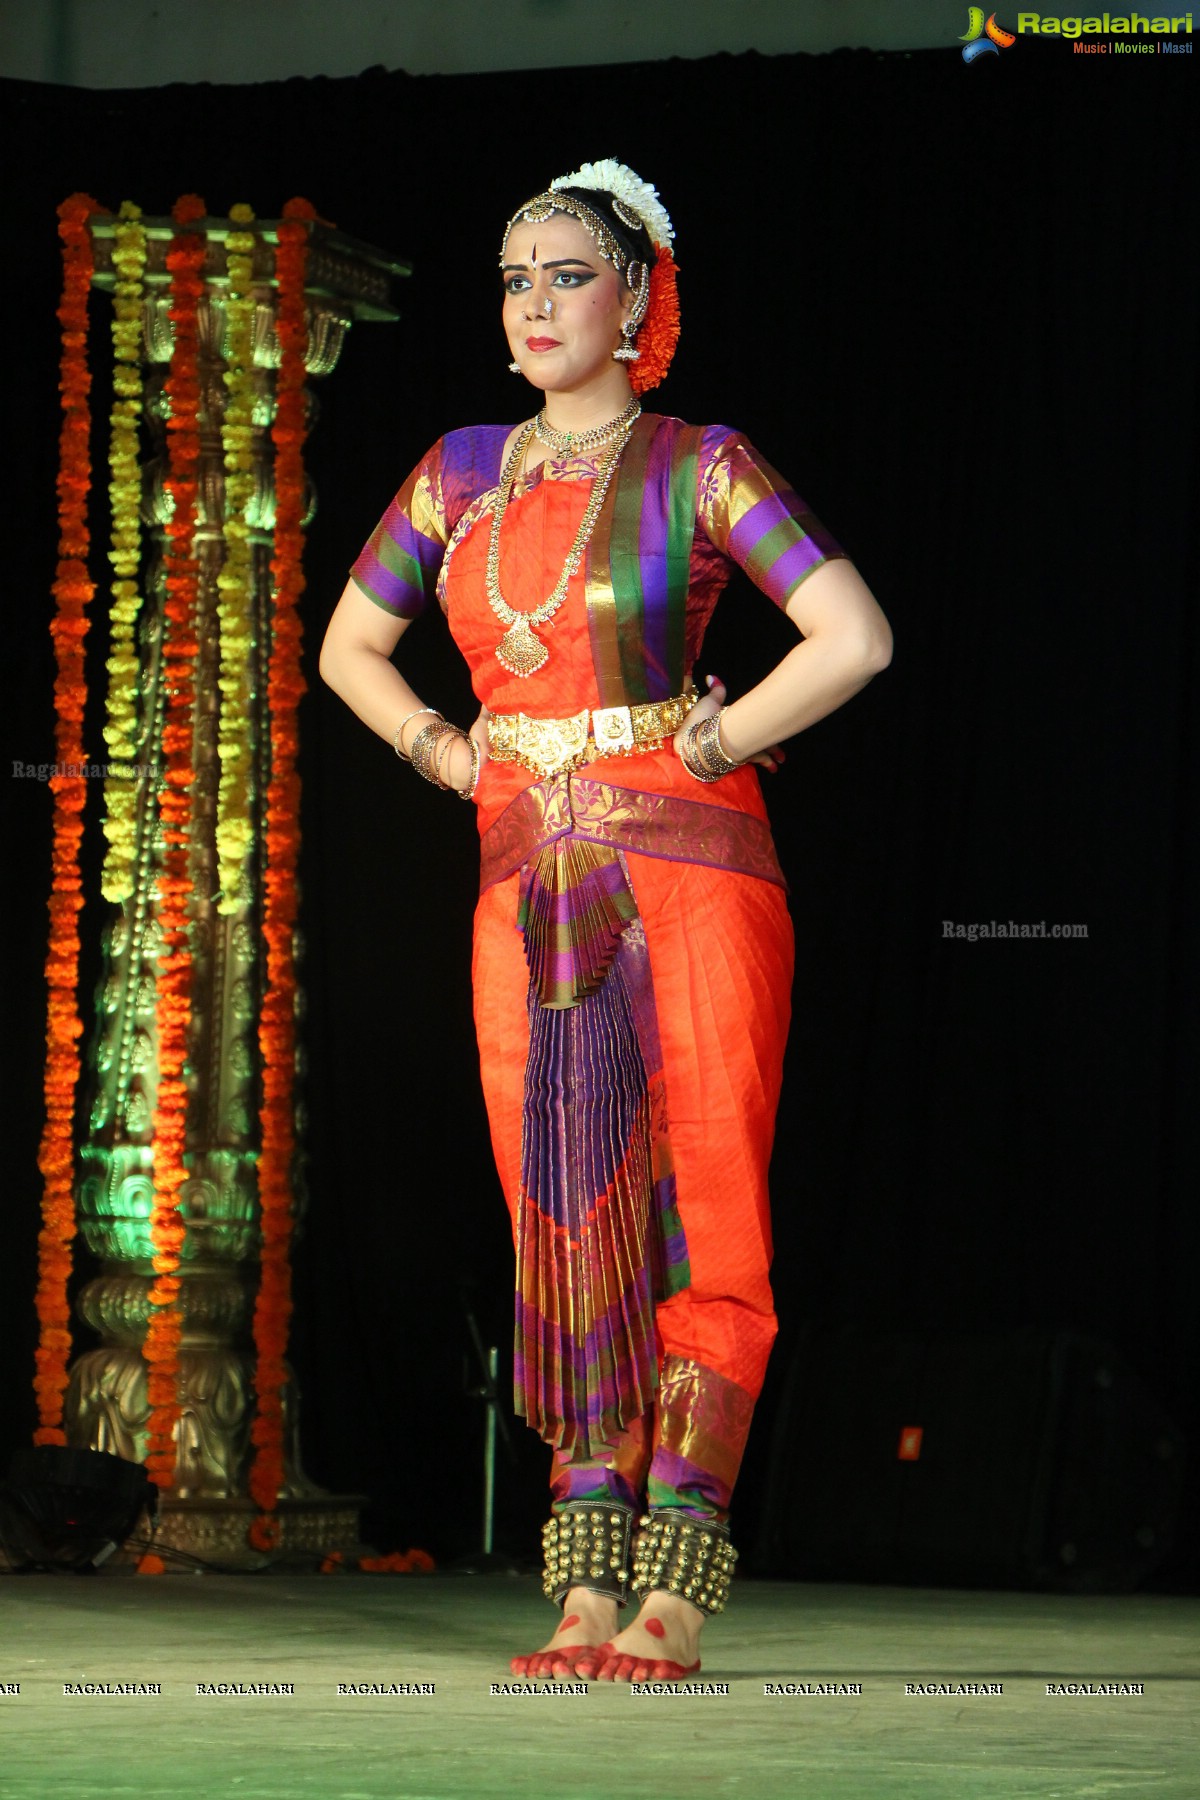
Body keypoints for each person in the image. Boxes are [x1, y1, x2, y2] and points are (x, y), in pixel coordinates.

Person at [319, 159, 893, 1684]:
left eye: (568, 272)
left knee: (704, 1205)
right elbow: (349, 649)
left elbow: (854, 634)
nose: (534, 302)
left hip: (690, 873)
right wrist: (445, 754)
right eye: (514, 277)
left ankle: (679, 1581)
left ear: (640, 299)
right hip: (523, 879)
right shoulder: (452, 474)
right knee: (563, 1218)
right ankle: (580, 1580)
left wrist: (712, 737)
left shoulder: (702, 464)